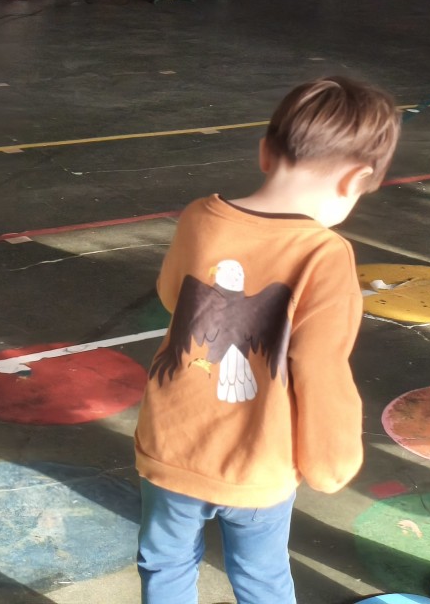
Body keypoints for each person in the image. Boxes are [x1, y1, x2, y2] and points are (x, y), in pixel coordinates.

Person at [134, 77, 401, 604]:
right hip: (259, 460)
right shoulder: (325, 254)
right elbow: (321, 369)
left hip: (171, 445)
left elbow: (172, 296)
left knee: (165, 564)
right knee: (261, 578)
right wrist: (331, 460)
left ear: (264, 153)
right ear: (357, 179)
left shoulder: (200, 217)